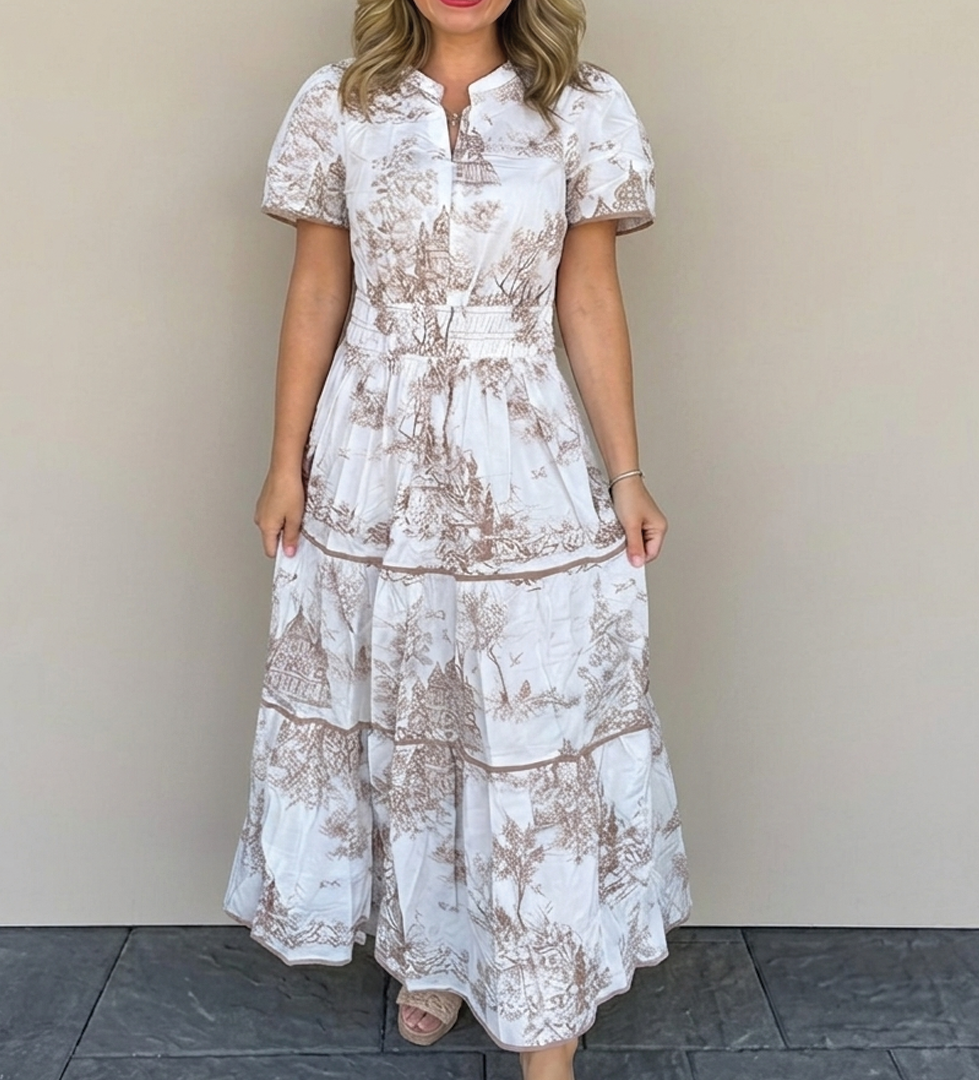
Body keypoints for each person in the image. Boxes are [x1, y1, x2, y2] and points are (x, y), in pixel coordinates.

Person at [222, 0, 693, 1075]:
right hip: (371, 447)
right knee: (404, 699)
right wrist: (285, 459)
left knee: (529, 716)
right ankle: (431, 952)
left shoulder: (582, 107)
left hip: (520, 444)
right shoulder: (338, 104)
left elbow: (588, 297)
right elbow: (319, 287)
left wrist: (626, 471)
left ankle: (543, 1015)